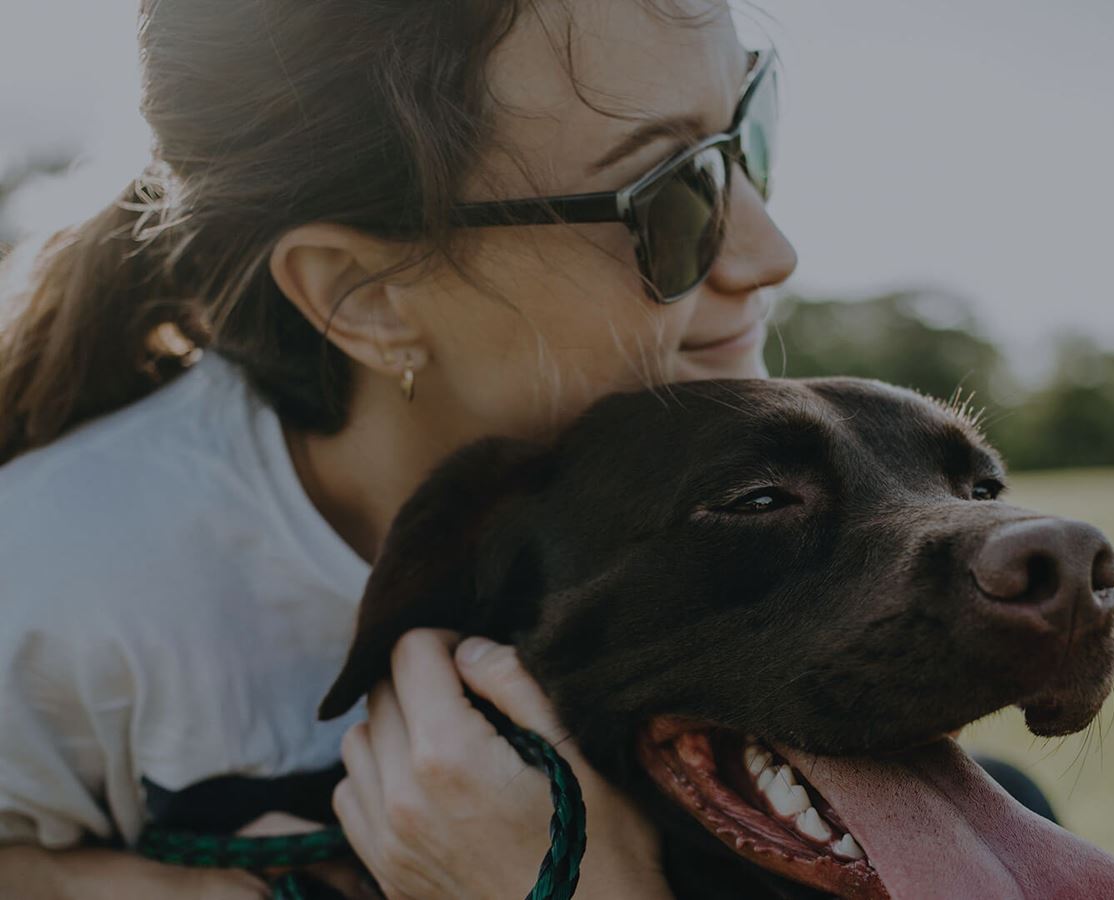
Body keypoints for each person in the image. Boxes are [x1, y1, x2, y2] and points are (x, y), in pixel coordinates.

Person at [0, 0, 795, 896]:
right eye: (673, 194)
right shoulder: (48, 587)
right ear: (365, 296)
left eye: (747, 128)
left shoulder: (748, 509)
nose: (771, 251)